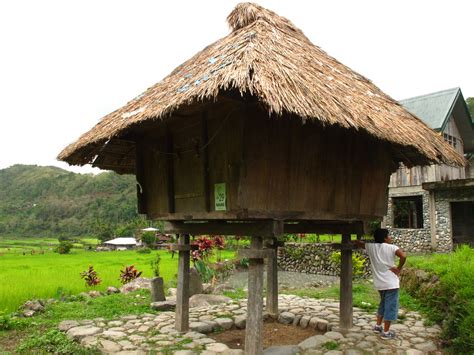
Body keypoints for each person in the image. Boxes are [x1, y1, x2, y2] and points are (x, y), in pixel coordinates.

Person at [354, 228, 406, 340]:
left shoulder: (371, 247)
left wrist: (358, 237)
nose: (390, 238)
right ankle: (386, 332)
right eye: (389, 236)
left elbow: (358, 243)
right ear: (385, 238)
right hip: (391, 283)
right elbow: (403, 256)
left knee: (383, 303)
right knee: (390, 307)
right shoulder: (392, 247)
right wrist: (398, 268)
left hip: (380, 283)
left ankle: (378, 326)